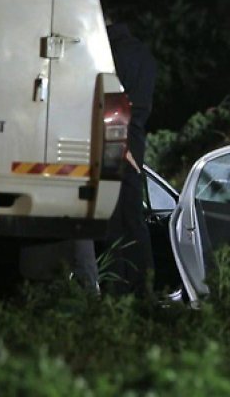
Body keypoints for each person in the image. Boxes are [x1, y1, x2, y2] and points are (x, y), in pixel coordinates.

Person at [99, 16, 157, 296]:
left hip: (115, 141)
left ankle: (121, 292)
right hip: (134, 139)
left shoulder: (107, 53)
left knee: (115, 221)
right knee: (133, 218)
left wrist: (118, 145)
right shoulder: (143, 54)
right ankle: (141, 289)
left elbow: (111, 99)